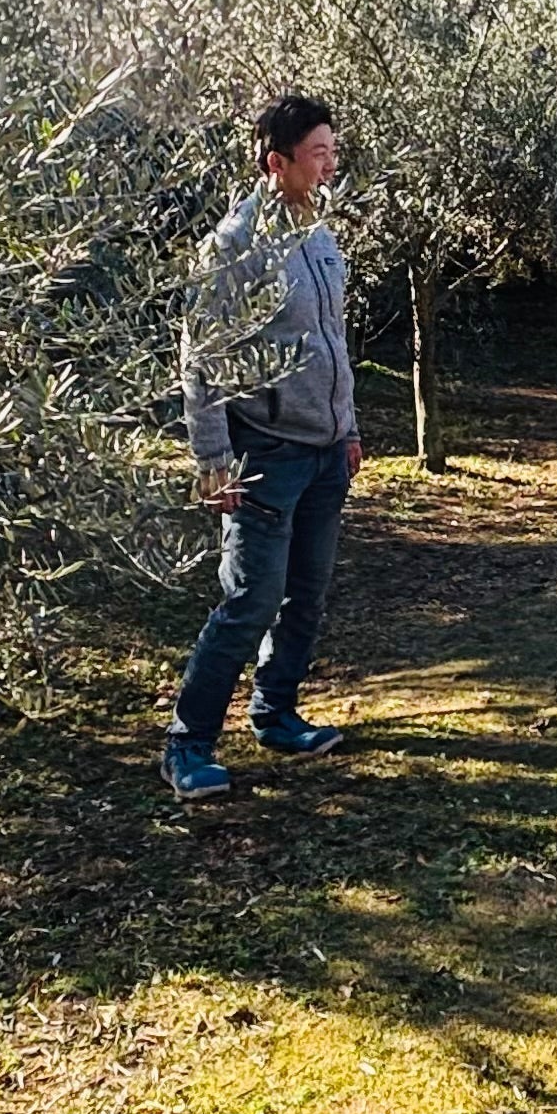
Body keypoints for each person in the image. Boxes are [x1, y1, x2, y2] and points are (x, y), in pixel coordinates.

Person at [165, 93, 361, 803]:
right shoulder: (232, 246)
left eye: (332, 150)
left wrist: (351, 429)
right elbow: (201, 359)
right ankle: (188, 745)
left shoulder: (319, 232)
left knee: (305, 597)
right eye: (318, 153)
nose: (330, 162)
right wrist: (212, 459)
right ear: (275, 163)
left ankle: (276, 713)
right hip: (264, 457)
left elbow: (332, 341)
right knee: (251, 600)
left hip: (324, 450)